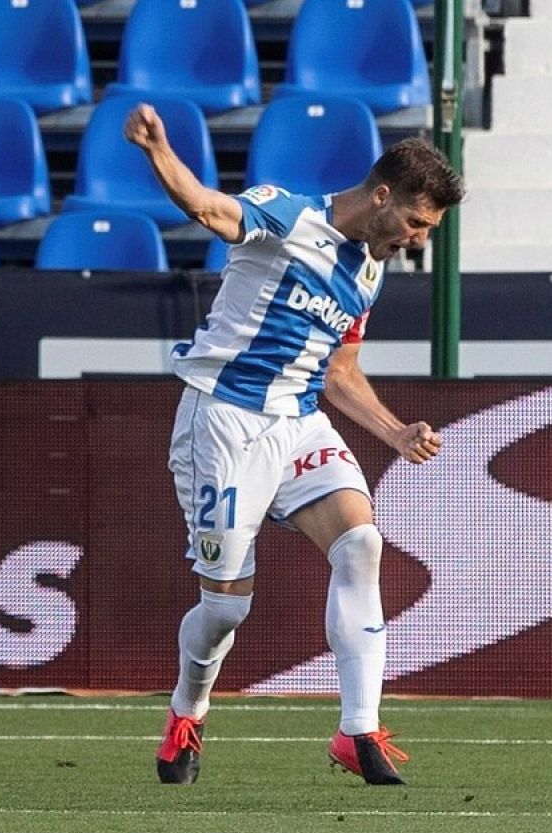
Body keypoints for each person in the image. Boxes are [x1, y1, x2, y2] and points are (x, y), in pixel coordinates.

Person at [124, 104, 465, 786]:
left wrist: (394, 432)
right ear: (381, 196)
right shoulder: (287, 215)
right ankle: (187, 712)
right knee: (225, 608)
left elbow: (339, 371)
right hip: (224, 421)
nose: (419, 239)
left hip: (299, 422)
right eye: (417, 223)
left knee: (361, 544)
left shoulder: (369, 270)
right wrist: (159, 150)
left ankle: (357, 730)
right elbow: (210, 211)